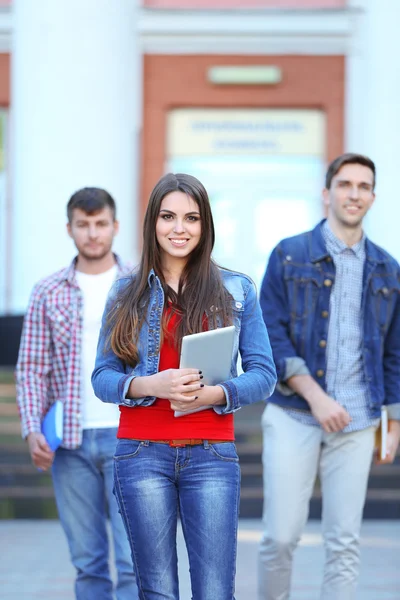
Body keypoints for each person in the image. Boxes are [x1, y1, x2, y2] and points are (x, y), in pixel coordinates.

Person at [92, 172, 277, 600]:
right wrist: (149, 383)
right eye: (168, 217)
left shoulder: (236, 288)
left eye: (191, 218)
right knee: (156, 590)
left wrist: (216, 394)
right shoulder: (124, 292)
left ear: (205, 224)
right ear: (152, 224)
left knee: (214, 591)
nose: (180, 228)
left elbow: (264, 374)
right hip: (140, 453)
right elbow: (102, 378)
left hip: (212, 452)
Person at [258, 153, 400, 600]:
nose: (354, 193)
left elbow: (395, 351)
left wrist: (392, 422)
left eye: (363, 186)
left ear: (373, 197)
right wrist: (315, 396)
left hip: (358, 420)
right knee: (280, 537)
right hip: (295, 413)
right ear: (327, 193)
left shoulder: (387, 269)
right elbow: (268, 334)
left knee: (344, 542)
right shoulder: (288, 254)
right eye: (345, 184)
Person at [15, 188, 138, 600]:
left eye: (100, 224)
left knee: (134, 562)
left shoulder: (140, 286)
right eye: (83, 225)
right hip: (70, 441)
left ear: (115, 227)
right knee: (88, 564)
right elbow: (31, 368)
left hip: (132, 438)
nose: (92, 234)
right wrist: (33, 429)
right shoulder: (47, 291)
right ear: (69, 228)